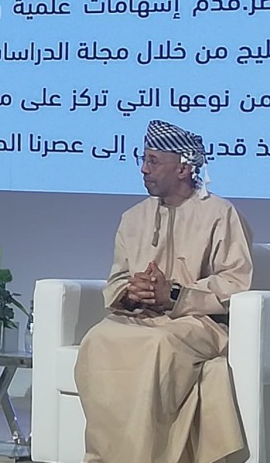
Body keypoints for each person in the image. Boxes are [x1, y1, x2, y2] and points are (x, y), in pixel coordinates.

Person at [74, 120, 253, 463]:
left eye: (154, 161)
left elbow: (235, 282)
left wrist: (173, 295)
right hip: (140, 319)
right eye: (143, 159)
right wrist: (131, 291)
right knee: (97, 340)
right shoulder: (133, 218)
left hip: (199, 323)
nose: (144, 169)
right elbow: (117, 278)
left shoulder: (220, 214)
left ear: (184, 167)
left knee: (158, 346)